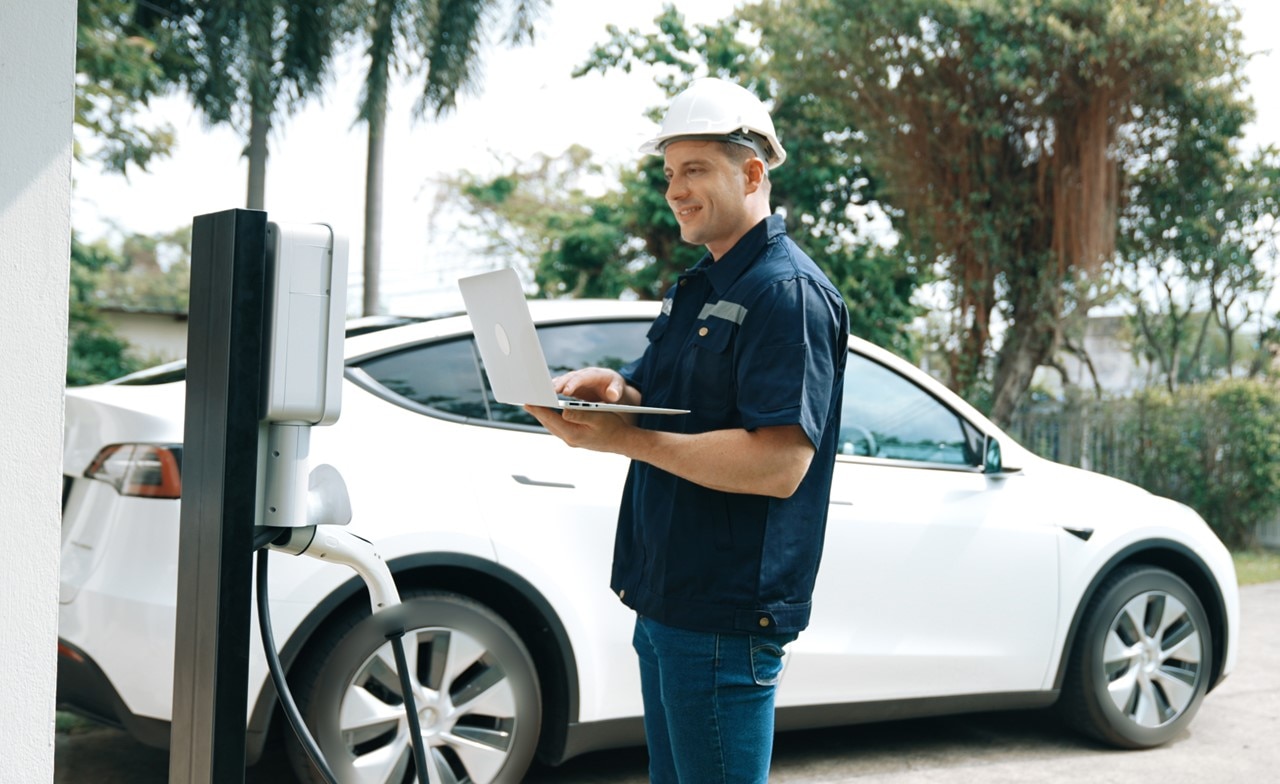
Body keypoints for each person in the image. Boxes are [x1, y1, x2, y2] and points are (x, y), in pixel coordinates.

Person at [524, 77, 850, 784]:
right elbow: (660, 398)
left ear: (752, 173)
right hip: (668, 597)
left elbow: (778, 465)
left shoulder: (786, 294)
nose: (675, 191)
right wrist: (614, 392)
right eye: (670, 173)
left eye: (694, 169)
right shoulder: (697, 286)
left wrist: (625, 439)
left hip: (724, 615)